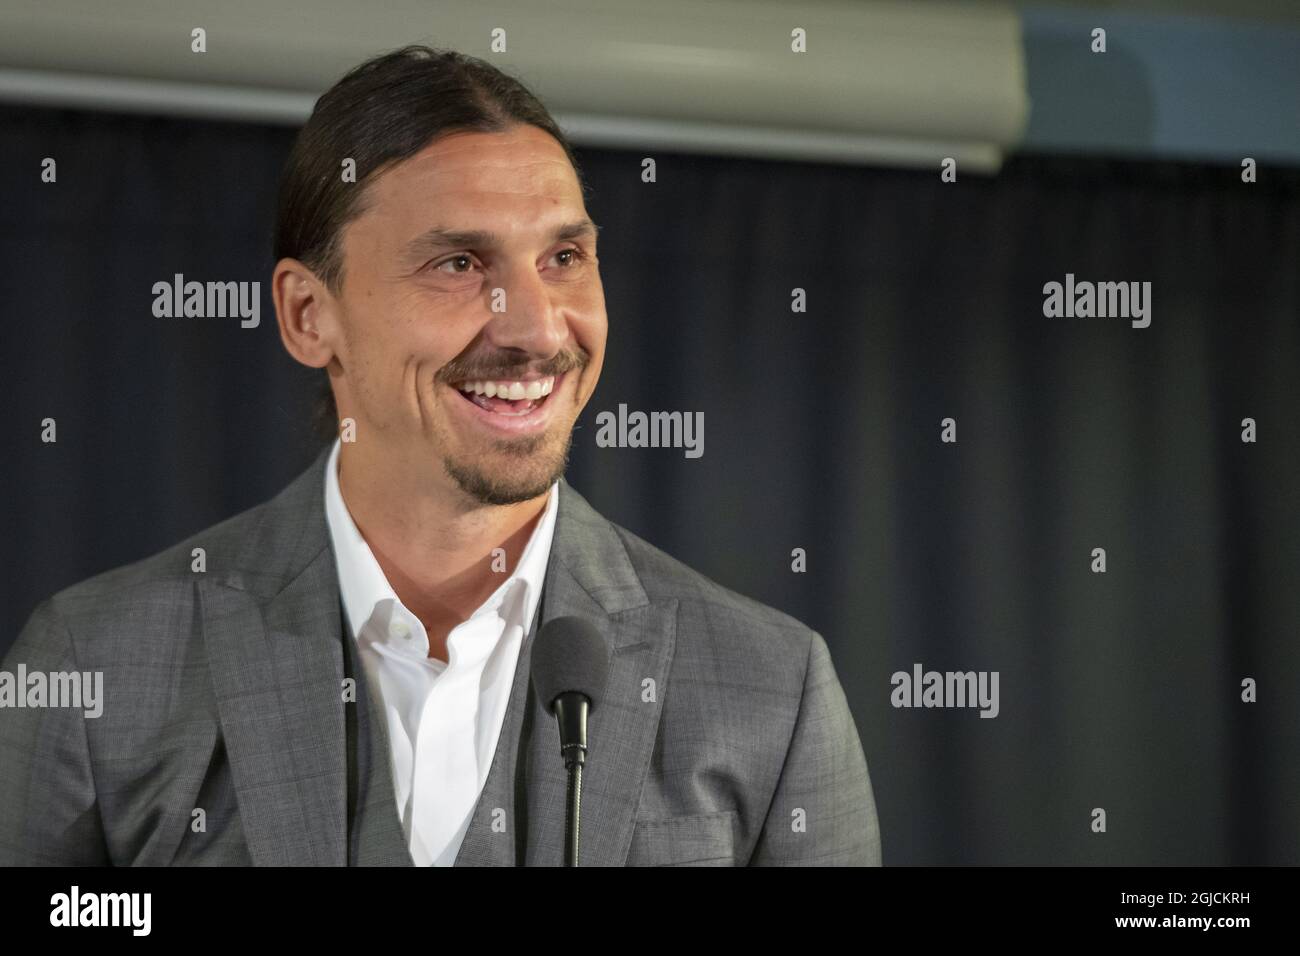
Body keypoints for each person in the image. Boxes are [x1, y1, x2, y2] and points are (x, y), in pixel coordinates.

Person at [0, 45, 880, 866]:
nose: (538, 328)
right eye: (460, 263)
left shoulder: (776, 689)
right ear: (310, 315)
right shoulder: (89, 669)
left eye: (565, 257)